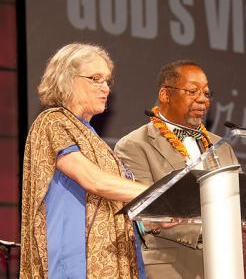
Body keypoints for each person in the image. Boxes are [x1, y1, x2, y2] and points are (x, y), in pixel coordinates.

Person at [19, 43, 149, 279]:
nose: (105, 89)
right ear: (67, 80)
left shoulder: (91, 136)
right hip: (75, 259)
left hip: (107, 259)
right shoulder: (53, 122)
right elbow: (93, 180)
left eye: (107, 81)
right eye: (95, 79)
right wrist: (157, 194)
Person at [115, 60, 237, 278]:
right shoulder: (134, 145)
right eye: (192, 91)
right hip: (169, 265)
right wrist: (208, 230)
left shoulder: (222, 146)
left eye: (207, 93)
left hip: (229, 262)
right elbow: (146, 212)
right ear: (165, 95)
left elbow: (241, 205)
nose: (202, 99)